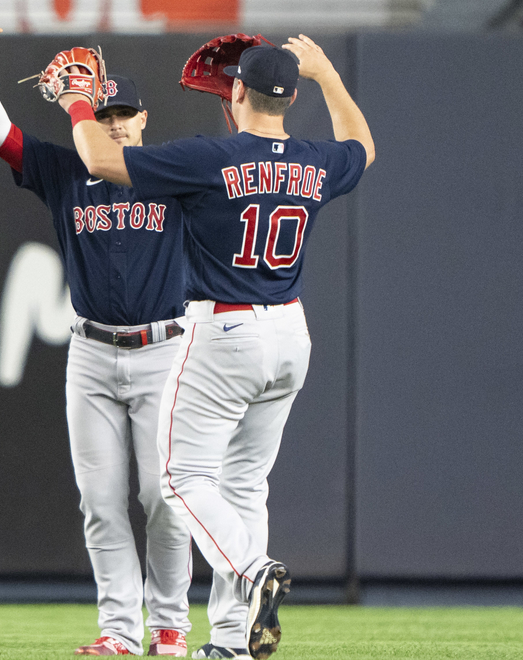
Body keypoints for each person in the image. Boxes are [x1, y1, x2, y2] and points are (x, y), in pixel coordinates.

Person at [56, 35, 375, 659]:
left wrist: (76, 102)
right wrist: (328, 74)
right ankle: (229, 641)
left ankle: (255, 571)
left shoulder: (209, 158)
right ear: (286, 98)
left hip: (225, 331)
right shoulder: (314, 160)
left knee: (179, 479)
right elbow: (362, 147)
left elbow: (99, 160)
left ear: (234, 93)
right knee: (245, 485)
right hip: (290, 331)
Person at [0, 69, 194, 656]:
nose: (114, 123)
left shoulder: (172, 173)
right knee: (99, 500)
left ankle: (169, 624)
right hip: (91, 353)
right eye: (104, 113)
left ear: (144, 118)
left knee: (164, 497)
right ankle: (119, 628)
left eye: (123, 114)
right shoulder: (67, 170)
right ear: (89, 116)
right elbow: (1, 137)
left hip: (164, 348)